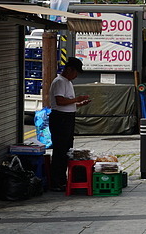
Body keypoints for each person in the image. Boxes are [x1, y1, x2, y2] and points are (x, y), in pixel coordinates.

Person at [49, 57, 91, 191]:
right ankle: (56, 182)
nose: (76, 75)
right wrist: (76, 99)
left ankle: (63, 179)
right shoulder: (59, 81)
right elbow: (60, 101)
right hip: (60, 118)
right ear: (68, 69)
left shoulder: (68, 82)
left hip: (67, 117)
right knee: (60, 150)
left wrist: (78, 103)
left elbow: (67, 103)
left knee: (67, 149)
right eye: (75, 72)